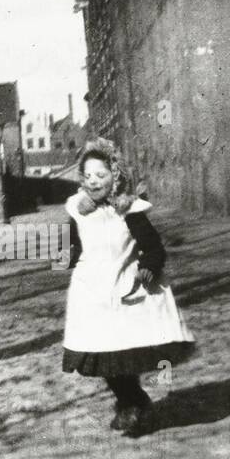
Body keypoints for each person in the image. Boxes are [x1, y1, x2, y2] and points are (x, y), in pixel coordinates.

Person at [62, 138, 195, 436]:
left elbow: (153, 246)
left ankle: (131, 403)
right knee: (99, 354)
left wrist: (148, 266)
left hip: (125, 286)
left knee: (120, 353)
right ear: (81, 180)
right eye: (88, 176)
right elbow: (72, 244)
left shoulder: (129, 210)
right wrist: (66, 254)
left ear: (115, 175)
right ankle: (132, 400)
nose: (94, 181)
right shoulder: (78, 210)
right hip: (91, 291)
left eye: (101, 175)